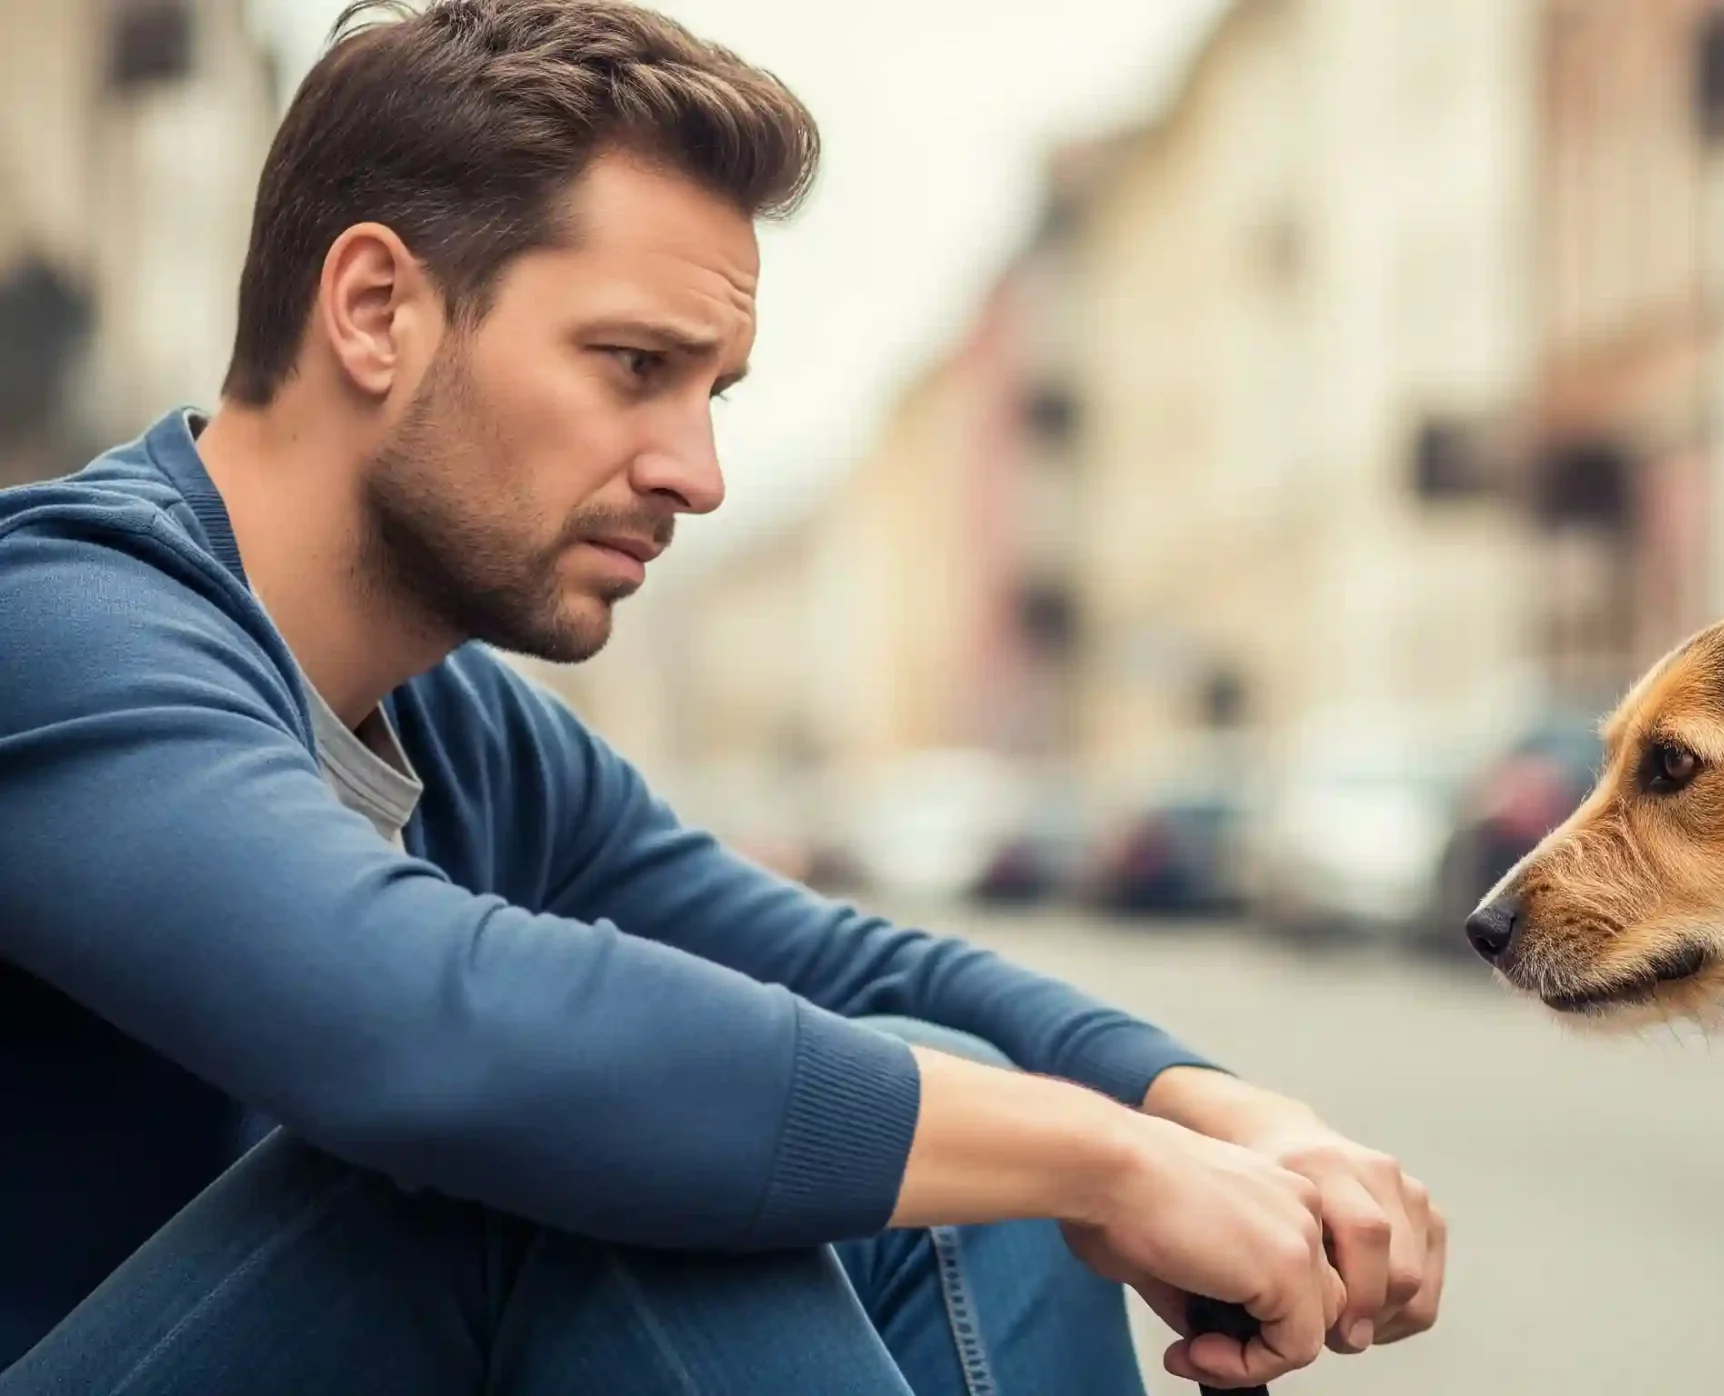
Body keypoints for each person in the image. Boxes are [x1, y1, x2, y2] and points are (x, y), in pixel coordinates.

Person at [0, 2, 1446, 1392]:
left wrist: (1214, 1112)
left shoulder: (466, 732)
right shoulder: (57, 621)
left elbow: (850, 974)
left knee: (955, 1117)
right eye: (635, 366)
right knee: (545, 1167)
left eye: (714, 394)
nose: (698, 475)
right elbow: (429, 1034)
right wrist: (1102, 1163)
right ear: (379, 310)